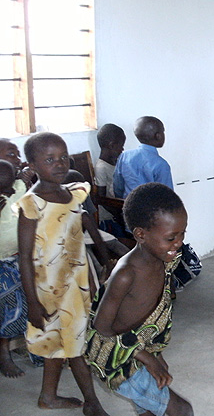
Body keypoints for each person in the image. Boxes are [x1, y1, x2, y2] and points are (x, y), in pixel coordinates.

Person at [16, 132, 110, 415]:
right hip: (49, 292)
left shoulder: (72, 194)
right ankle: (92, 403)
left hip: (77, 285)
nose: (59, 164)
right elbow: (23, 258)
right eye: (49, 160)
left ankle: (48, 396)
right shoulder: (31, 205)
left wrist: (99, 268)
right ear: (32, 165)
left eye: (63, 158)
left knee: (60, 343)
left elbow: (82, 234)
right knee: (75, 347)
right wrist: (32, 302)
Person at [86, 183, 193, 416]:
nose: (179, 243)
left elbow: (153, 310)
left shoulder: (163, 259)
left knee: (148, 410)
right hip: (117, 358)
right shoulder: (126, 274)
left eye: (182, 234)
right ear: (140, 234)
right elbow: (102, 327)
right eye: (171, 237)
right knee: (182, 411)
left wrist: (156, 353)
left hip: (138, 349)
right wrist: (147, 358)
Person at [0, 159, 28, 378]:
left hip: (21, 257)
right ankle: (4, 351)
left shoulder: (18, 189)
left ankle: (34, 347)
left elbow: (24, 179)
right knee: (11, 304)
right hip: (2, 262)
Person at [113, 116, 173, 199]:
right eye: (163, 131)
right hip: (151, 211)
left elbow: (118, 187)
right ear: (158, 136)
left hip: (127, 207)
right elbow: (167, 197)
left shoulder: (125, 156)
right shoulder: (161, 165)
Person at [94, 123, 129, 237]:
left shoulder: (116, 164)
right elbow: (101, 198)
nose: (122, 149)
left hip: (118, 210)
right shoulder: (101, 167)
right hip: (109, 218)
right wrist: (118, 215)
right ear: (112, 145)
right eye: (121, 146)